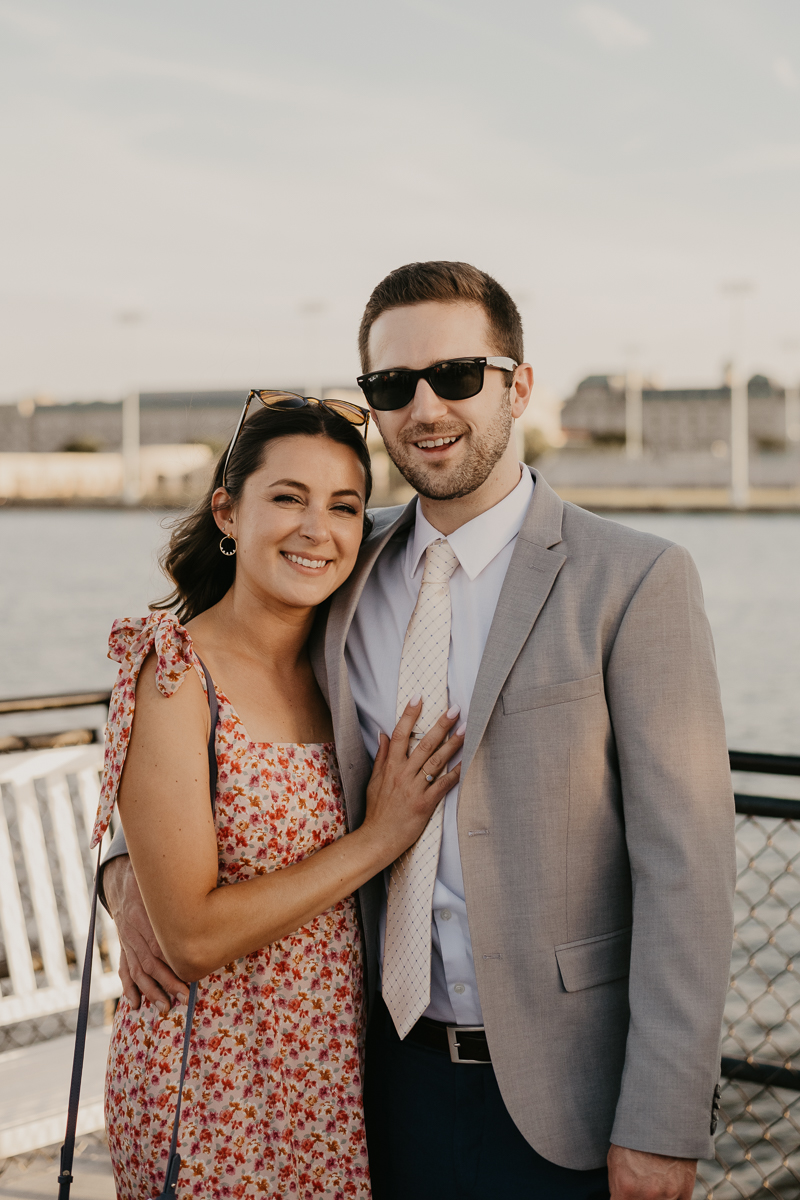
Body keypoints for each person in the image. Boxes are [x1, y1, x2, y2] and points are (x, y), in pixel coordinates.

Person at [101, 262, 736, 1200]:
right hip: (365, 1082)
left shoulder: (634, 580)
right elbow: (214, 697)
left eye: (458, 376)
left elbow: (690, 870)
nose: (426, 406)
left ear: (519, 386)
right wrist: (124, 869)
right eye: (394, 386)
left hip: (568, 1102)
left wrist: (663, 1119)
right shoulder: (343, 563)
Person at [91, 399, 466, 1199]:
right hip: (210, 1086)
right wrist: (381, 835)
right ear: (228, 510)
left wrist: (119, 870)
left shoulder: (346, 670)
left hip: (328, 1084)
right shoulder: (174, 673)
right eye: (288, 497)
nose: (316, 529)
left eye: (344, 506)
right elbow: (188, 937)